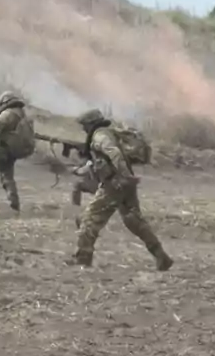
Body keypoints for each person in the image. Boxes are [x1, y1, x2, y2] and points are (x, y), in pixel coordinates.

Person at [71, 109, 172, 270]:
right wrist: (79, 170)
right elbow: (100, 161)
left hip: (114, 184)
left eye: (84, 125)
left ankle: (83, 259)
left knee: (90, 219)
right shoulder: (109, 133)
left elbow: (115, 153)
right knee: (134, 221)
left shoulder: (99, 136)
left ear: (90, 124)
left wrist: (124, 176)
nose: (83, 128)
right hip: (124, 183)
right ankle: (161, 256)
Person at [0, 90, 35, 212]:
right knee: (7, 177)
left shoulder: (7, 114)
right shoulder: (23, 115)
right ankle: (14, 203)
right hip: (11, 151)